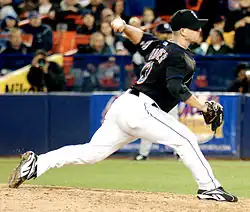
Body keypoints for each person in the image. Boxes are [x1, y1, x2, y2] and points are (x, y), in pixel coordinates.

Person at [9, 9, 238, 202]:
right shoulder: (180, 56)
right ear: (183, 30)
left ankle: (38, 163)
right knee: (185, 139)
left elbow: (141, 37)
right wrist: (203, 106)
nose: (199, 30)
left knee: (91, 153)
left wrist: (124, 25)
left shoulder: (161, 46)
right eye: (195, 27)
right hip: (142, 109)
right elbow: (176, 88)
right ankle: (209, 187)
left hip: (125, 105)